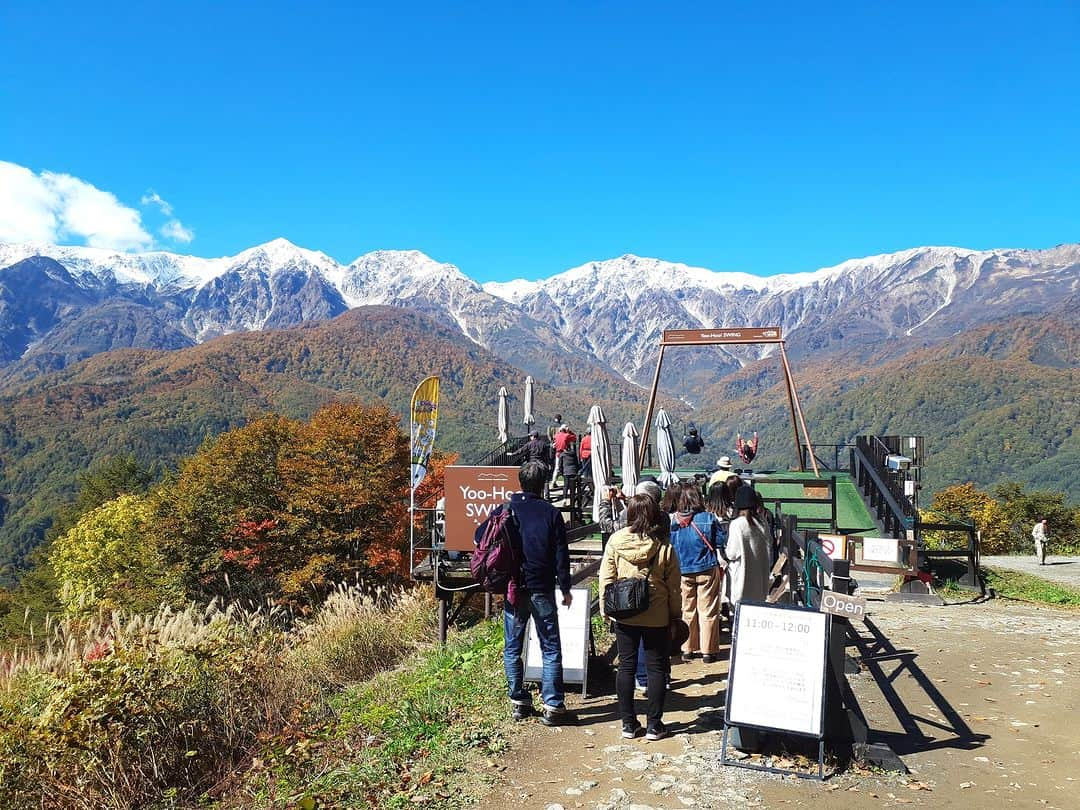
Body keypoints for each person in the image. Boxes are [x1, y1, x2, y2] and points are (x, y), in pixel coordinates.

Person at [599, 494, 682, 742]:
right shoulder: (664, 544)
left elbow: (606, 578)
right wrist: (675, 616)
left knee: (626, 666)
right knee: (656, 668)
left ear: (631, 515)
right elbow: (674, 587)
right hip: (656, 614)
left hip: (625, 613)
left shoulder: (616, 541)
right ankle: (654, 726)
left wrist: (606, 610)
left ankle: (628, 723)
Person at [500, 461, 576, 725]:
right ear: (543, 483)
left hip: (514, 588)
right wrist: (565, 588)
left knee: (512, 646)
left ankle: (519, 701)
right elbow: (561, 555)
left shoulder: (506, 509)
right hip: (541, 587)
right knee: (550, 646)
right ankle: (553, 705)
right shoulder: (550, 513)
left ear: (519, 481)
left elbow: (479, 538)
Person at [669, 483, 725, 662]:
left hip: (682, 571)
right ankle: (708, 652)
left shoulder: (673, 520)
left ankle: (687, 648)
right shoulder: (708, 518)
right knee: (708, 611)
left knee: (687, 610)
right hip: (706, 568)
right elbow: (720, 541)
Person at [725, 486, 772, 607]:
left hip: (742, 578)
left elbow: (732, 553)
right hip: (760, 578)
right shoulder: (762, 522)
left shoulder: (737, 524)